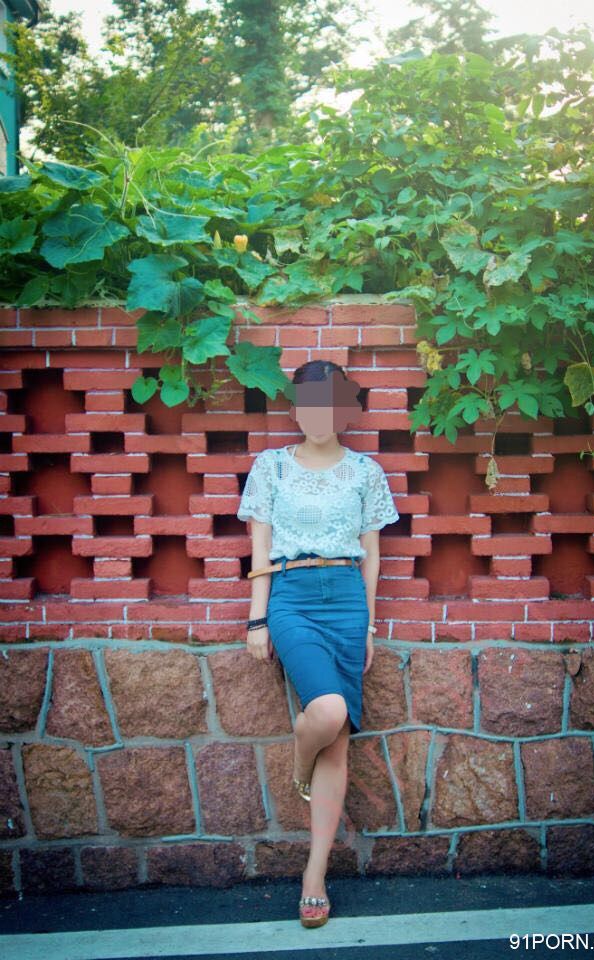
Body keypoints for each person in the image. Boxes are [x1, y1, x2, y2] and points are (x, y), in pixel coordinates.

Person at [236, 359, 399, 928]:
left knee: (339, 741)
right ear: (295, 409)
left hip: (348, 601)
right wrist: (257, 620)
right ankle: (300, 763)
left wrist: (369, 625)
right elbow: (260, 550)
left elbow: (371, 557)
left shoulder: (365, 472)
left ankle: (314, 876)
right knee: (327, 713)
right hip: (293, 598)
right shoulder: (272, 467)